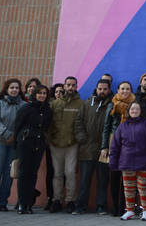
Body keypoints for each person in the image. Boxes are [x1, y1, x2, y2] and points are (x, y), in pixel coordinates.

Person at [109, 101, 146, 221]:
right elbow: (115, 145)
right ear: (128, 111)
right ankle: (130, 210)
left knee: (144, 188)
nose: (134, 111)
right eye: (132, 109)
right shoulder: (122, 126)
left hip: (145, 162)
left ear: (141, 111)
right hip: (126, 162)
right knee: (128, 188)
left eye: (137, 109)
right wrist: (113, 161)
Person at [73, 78, 112, 215]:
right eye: (100, 89)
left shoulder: (112, 104)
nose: (102, 91)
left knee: (102, 180)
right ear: (96, 89)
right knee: (84, 180)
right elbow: (78, 122)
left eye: (105, 89)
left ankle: (101, 206)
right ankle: (80, 206)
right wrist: (82, 139)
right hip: (87, 148)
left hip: (104, 150)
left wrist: (107, 144)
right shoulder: (87, 103)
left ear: (109, 89)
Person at [14, 84, 52, 214]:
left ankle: (29, 204)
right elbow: (17, 126)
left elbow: (46, 127)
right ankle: (21, 204)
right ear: (35, 94)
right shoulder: (26, 108)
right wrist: (16, 144)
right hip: (25, 143)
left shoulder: (48, 110)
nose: (42, 95)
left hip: (39, 143)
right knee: (24, 173)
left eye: (44, 93)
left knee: (33, 173)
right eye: (39, 93)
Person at [47, 76, 83, 213]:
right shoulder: (55, 103)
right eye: (68, 85)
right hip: (55, 144)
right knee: (57, 173)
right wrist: (49, 139)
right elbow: (49, 123)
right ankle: (57, 200)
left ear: (76, 86)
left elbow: (82, 123)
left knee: (70, 173)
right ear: (64, 86)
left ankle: (70, 201)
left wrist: (78, 139)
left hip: (72, 144)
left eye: (73, 85)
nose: (70, 88)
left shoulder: (81, 104)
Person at [102, 81, 136, 216]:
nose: (125, 91)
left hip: (129, 144)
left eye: (128, 89)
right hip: (114, 142)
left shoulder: (135, 105)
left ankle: (125, 207)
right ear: (117, 90)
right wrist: (104, 146)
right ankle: (115, 207)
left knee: (127, 177)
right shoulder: (112, 104)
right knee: (114, 176)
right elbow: (106, 127)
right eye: (122, 89)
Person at [0, 79, 26, 211]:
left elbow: (24, 123)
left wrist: (15, 137)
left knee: (8, 174)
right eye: (12, 87)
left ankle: (3, 202)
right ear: (6, 89)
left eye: (17, 88)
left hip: (14, 144)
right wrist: (7, 134)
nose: (14, 90)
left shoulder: (23, 105)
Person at [44, 83, 64, 210]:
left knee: (64, 173)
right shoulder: (49, 106)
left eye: (61, 92)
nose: (59, 94)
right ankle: (50, 197)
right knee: (51, 172)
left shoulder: (67, 105)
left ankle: (59, 198)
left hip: (65, 143)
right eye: (57, 92)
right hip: (51, 143)